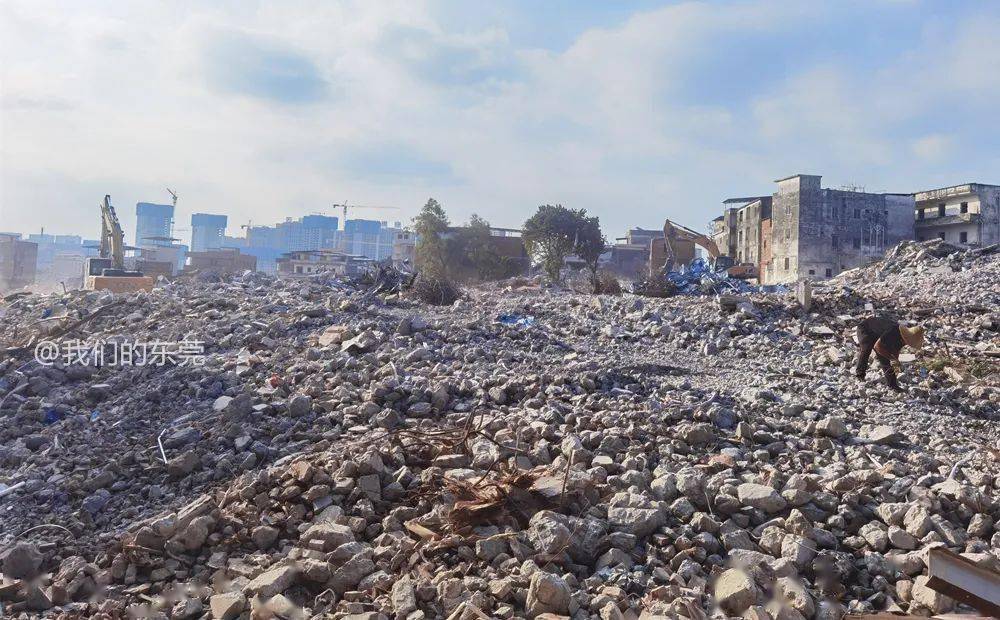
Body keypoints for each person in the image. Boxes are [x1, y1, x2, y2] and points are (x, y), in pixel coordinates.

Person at [855, 316, 925, 392]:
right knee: (866, 349)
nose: (907, 343)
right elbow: (877, 347)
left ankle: (892, 385)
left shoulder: (903, 339)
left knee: (885, 359)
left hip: (879, 334)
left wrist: (896, 362)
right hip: (865, 328)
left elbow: (895, 350)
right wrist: (891, 358)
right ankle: (860, 375)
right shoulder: (893, 331)